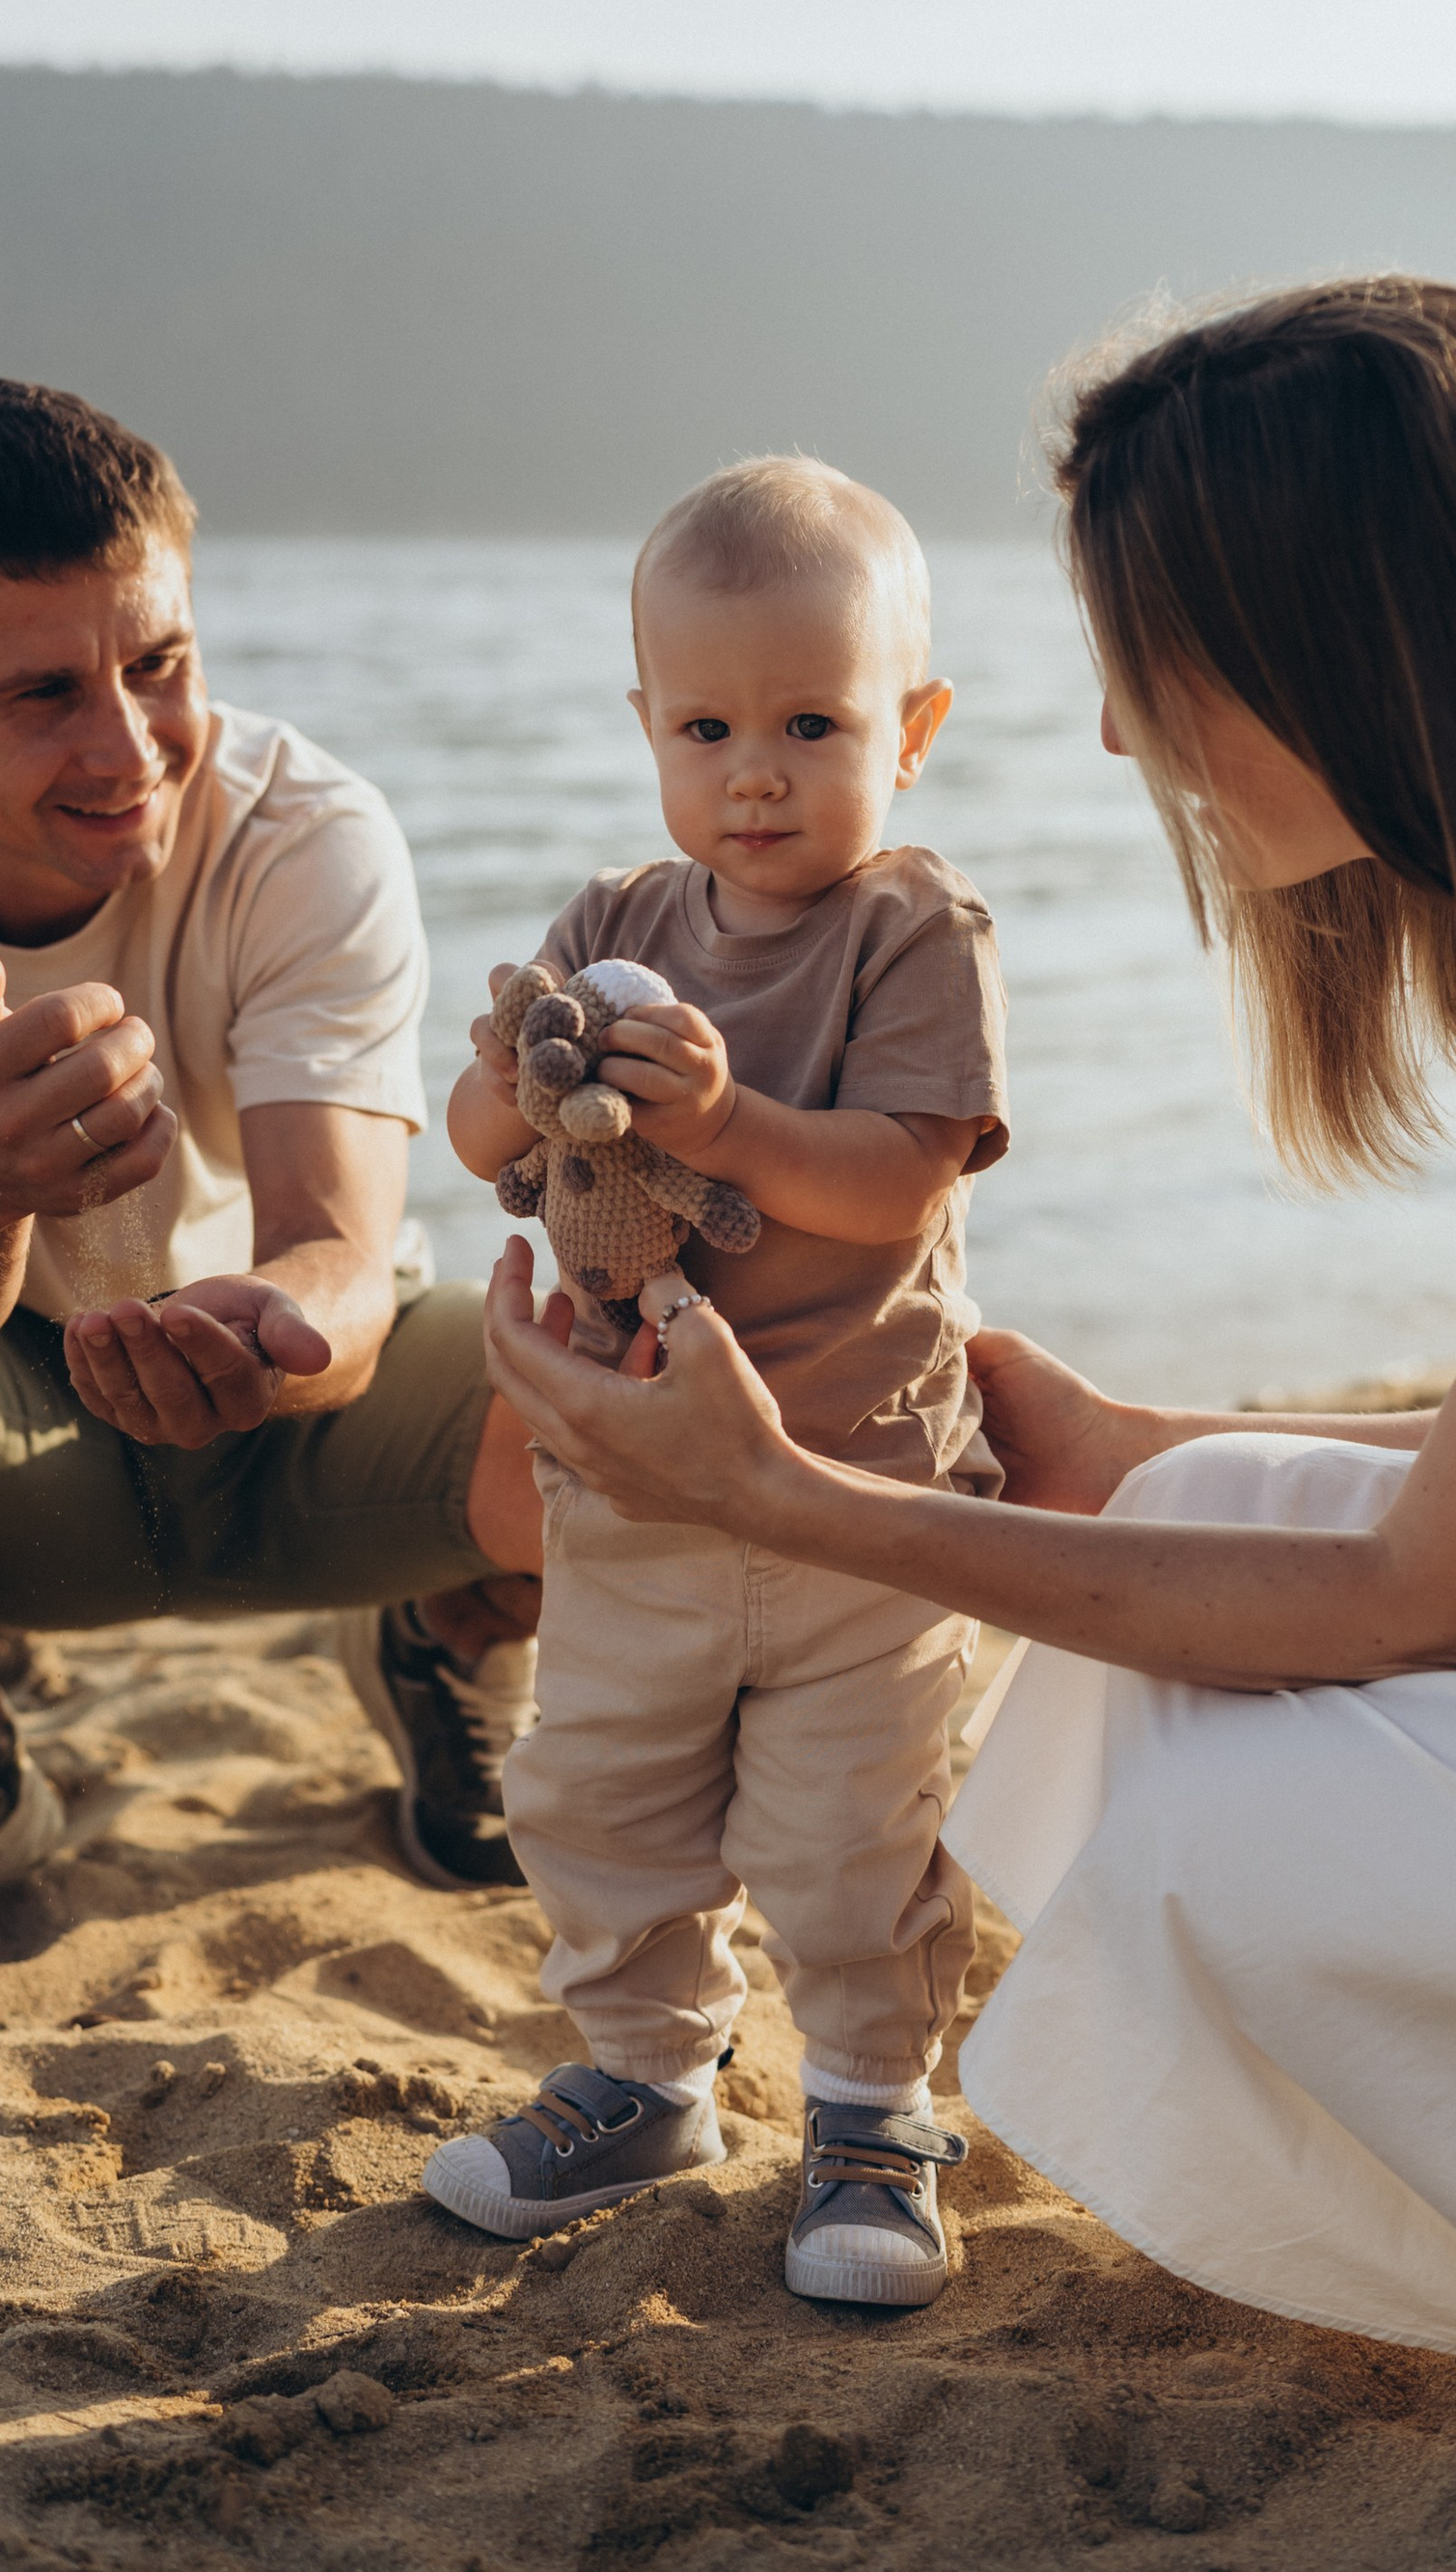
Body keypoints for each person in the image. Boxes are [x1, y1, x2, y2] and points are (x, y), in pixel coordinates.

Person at [479, 280, 1456, 2524]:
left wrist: (780, 1499)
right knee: (1207, 1518)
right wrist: (1121, 1450)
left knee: (1233, 1835)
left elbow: (1437, 1595)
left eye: (1145, 671)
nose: (1108, 740)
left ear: (1332, 650)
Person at [0, 377, 542, 1961]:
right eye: (44, 692)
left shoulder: (307, 833)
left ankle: (449, 1636)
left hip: (297, 1415)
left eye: (160, 664)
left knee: (646, 1341)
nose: (129, 747)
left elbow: (340, 1253)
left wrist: (269, 1330)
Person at [420, 460, 1006, 2308]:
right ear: (649, 729)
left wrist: (732, 1122)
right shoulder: (614, 920)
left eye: (812, 724)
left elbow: (901, 1175)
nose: (756, 773)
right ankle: (647, 2078)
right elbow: (480, 1138)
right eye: (708, 728)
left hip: (857, 1494)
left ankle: (872, 2112)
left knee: (850, 1833)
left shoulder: (914, 931)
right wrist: (514, 1080)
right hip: (638, 1484)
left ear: (911, 731)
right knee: (599, 1794)